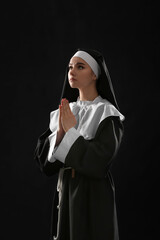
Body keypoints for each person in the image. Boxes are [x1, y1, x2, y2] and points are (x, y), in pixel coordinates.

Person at [34, 48, 125, 240]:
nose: (71, 72)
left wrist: (71, 132)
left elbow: (99, 162)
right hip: (66, 191)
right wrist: (60, 133)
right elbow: (46, 165)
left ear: (94, 74)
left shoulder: (107, 113)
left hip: (93, 195)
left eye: (80, 67)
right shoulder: (65, 112)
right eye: (69, 68)